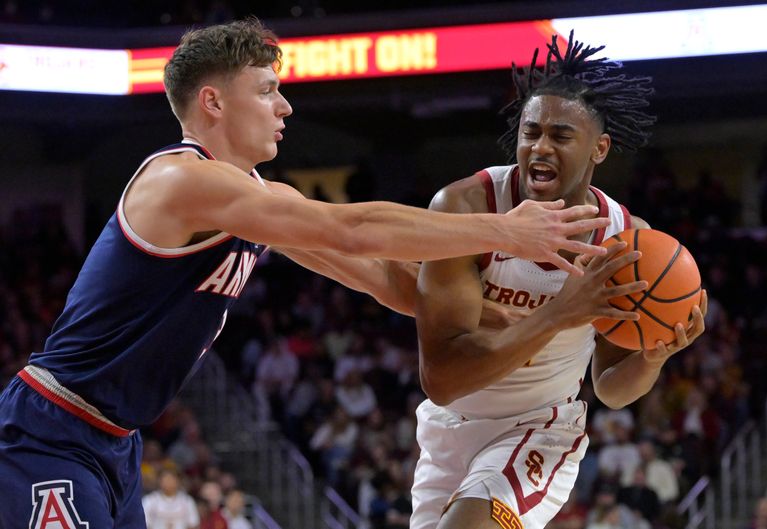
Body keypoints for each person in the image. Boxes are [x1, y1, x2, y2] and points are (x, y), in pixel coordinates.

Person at [0, 19, 612, 529]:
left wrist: (507, 314)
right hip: (54, 429)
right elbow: (350, 228)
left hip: (116, 442)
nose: (285, 105)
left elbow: (385, 278)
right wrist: (503, 230)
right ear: (213, 101)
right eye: (267, 89)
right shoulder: (180, 180)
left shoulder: (256, 198)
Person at [411, 32, 708, 529]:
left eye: (561, 136)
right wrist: (561, 312)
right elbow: (441, 381)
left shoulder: (625, 242)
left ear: (600, 148)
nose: (540, 147)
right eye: (531, 132)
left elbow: (610, 389)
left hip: (541, 427)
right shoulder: (467, 210)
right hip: (449, 426)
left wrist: (652, 359)